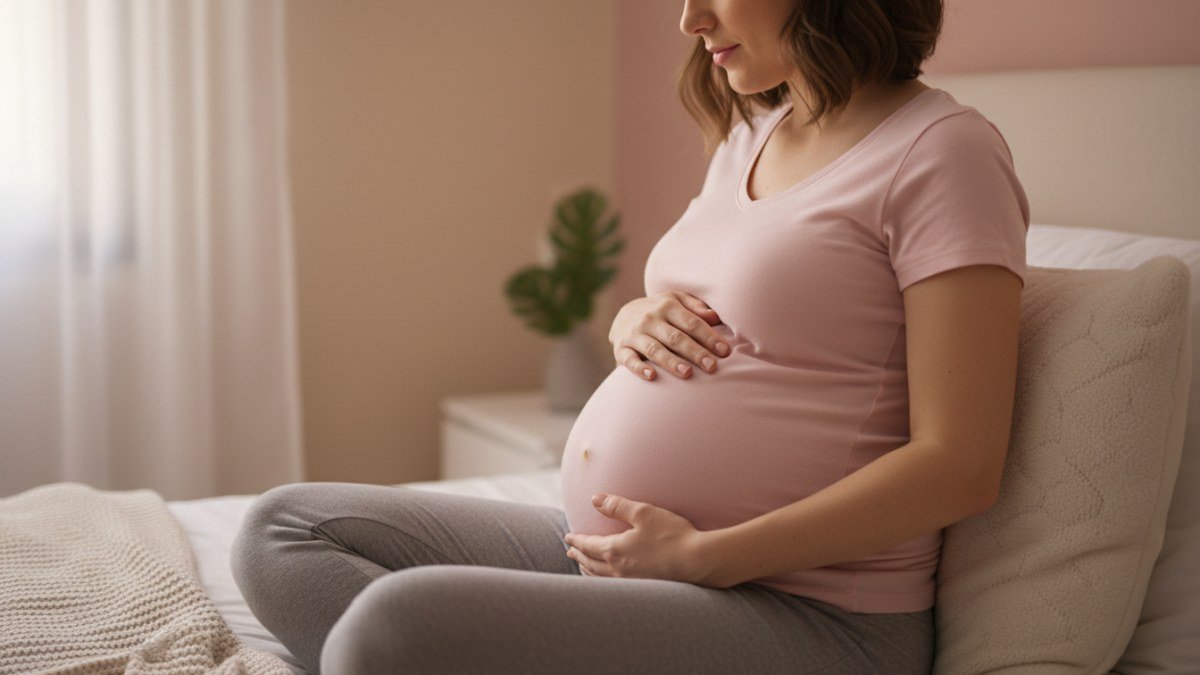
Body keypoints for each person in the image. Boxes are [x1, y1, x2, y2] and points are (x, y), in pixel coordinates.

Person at [231, 0, 1027, 673]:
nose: (688, 19)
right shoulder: (755, 133)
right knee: (285, 530)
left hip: (809, 610)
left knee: (391, 627)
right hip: (630, 558)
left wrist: (709, 557)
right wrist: (629, 317)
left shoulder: (944, 152)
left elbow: (958, 464)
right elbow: (730, 297)